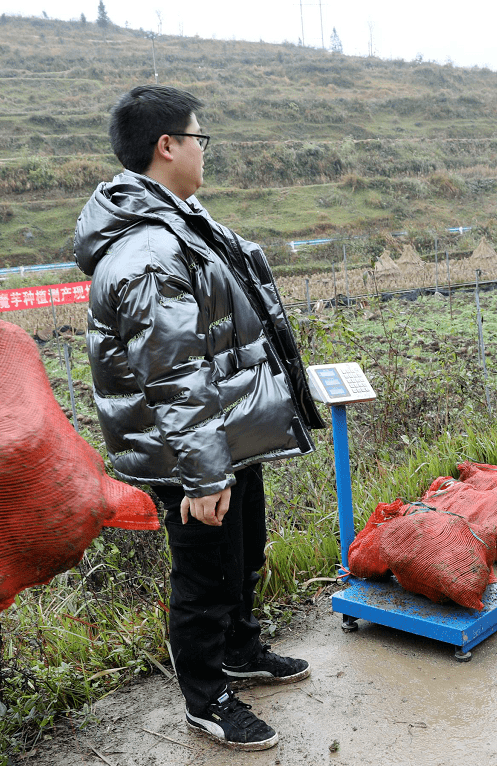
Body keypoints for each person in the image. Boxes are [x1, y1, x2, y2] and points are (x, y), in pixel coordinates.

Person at [74, 85, 326, 750]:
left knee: (239, 555)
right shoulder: (150, 252)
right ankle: (207, 698)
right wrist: (203, 475)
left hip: (225, 435)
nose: (202, 150)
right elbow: (174, 374)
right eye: (198, 137)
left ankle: (240, 648)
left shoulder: (183, 222)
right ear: (168, 146)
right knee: (203, 574)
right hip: (191, 453)